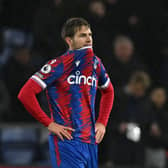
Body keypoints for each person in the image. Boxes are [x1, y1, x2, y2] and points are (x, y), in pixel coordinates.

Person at [18, 17, 114, 168]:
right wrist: (49, 123)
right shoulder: (58, 65)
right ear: (69, 41)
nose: (89, 39)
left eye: (90, 34)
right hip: (67, 141)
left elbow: (109, 91)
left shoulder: (96, 63)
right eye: (82, 35)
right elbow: (25, 94)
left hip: (90, 141)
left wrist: (102, 122)